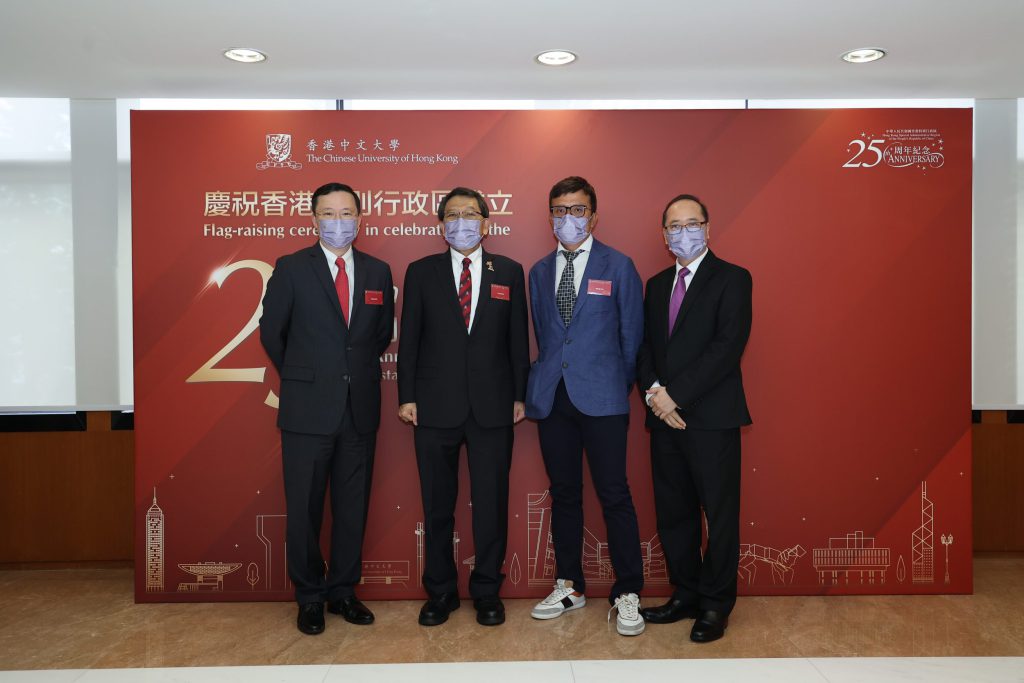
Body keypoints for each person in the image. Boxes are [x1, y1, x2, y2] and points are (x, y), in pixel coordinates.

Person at [259, 182, 394, 636]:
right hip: (307, 411)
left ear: (361, 217)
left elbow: (376, 338)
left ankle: (342, 591)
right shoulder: (293, 268)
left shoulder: (378, 272)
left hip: (360, 408)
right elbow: (272, 334)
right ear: (313, 219)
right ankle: (310, 595)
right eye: (329, 214)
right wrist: (304, 376)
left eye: (347, 213)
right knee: (305, 509)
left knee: (352, 507)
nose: (339, 222)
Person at [397, 187, 529, 627]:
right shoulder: (421, 272)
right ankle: (440, 592)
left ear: (486, 224)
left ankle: (487, 590)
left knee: (491, 503)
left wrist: (519, 395)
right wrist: (407, 397)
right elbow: (409, 340)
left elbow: (517, 341)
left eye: (470, 214)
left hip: (493, 408)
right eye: (452, 215)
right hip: (434, 408)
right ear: (440, 226)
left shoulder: (509, 272)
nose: (461, 222)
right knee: (437, 505)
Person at [525, 176, 646, 636]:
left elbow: (631, 338)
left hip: (605, 398)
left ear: (593, 216)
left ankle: (628, 590)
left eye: (577, 210)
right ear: (550, 216)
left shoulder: (619, 265)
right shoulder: (538, 271)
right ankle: (570, 584)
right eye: (559, 210)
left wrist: (613, 383)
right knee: (564, 494)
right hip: (553, 398)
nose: (568, 218)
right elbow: (547, 333)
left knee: (614, 494)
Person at [637, 194, 752, 643]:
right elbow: (644, 348)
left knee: (719, 516)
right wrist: (654, 395)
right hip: (663, 419)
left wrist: (676, 397)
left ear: (708, 227)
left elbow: (727, 346)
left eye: (692, 223)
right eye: (674, 226)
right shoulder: (656, 283)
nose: (683, 232)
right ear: (664, 235)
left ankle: (716, 604)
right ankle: (685, 593)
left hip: (711, 418)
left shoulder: (733, 278)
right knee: (674, 514)